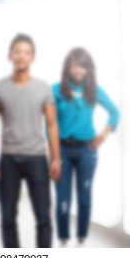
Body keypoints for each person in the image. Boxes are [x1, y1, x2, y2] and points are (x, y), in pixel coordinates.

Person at [0, 34, 61, 248]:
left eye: (26, 52)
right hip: (8, 159)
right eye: (18, 51)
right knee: (8, 220)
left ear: (32, 58)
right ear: (10, 56)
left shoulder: (43, 89)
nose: (21, 56)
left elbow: (52, 125)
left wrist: (55, 160)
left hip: (37, 158)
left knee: (44, 219)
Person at [52, 47, 120, 247]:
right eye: (75, 66)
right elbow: (51, 123)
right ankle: (63, 238)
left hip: (86, 151)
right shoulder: (56, 90)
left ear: (88, 69)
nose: (78, 71)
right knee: (63, 197)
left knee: (84, 195)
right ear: (68, 68)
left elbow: (114, 113)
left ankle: (81, 238)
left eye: (82, 67)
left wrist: (103, 135)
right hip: (63, 149)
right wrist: (54, 156)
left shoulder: (95, 91)